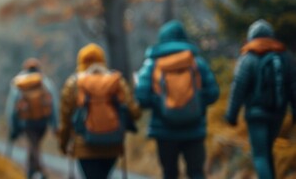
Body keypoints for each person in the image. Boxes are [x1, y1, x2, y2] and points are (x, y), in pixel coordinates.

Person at [134, 20, 219, 179]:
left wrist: (161, 103)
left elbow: (141, 98)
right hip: (194, 129)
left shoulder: (152, 64)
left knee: (169, 173)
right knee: (196, 173)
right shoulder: (196, 63)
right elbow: (213, 93)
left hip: (164, 131)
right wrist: (194, 103)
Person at [225, 20, 296, 179]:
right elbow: (293, 86)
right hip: (278, 112)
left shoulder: (248, 57)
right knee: (267, 151)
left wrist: (232, 114)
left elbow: (239, 86)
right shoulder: (285, 56)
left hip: (256, 114)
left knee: (260, 155)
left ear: (251, 37)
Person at [58, 44, 141, 179]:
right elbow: (134, 113)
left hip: (84, 147)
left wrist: (63, 144)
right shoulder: (116, 81)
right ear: (103, 60)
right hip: (112, 144)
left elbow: (65, 118)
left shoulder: (74, 84)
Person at [6, 58, 59, 178]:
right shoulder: (45, 82)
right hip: (42, 121)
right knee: (34, 145)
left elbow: (12, 106)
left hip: (26, 122)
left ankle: (40, 171)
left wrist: (13, 127)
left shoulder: (19, 83)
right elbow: (53, 103)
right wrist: (54, 124)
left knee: (33, 145)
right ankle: (31, 172)